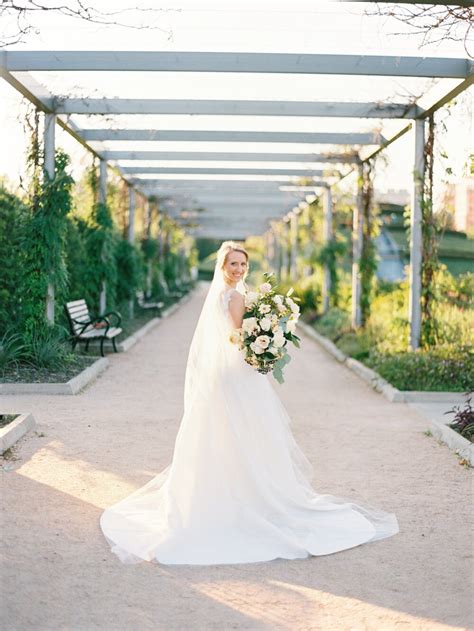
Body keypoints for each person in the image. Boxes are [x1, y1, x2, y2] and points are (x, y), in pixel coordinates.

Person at [100, 241, 399, 565]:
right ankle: (246, 500)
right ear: (222, 266)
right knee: (247, 435)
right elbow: (239, 338)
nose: (239, 270)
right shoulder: (235, 296)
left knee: (222, 437)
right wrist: (268, 344)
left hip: (222, 377)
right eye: (233, 264)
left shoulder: (220, 295)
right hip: (237, 377)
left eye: (243, 264)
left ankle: (215, 499)